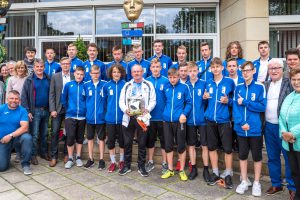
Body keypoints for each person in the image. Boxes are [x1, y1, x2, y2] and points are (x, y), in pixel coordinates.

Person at [233, 61, 266, 197]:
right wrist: (241, 123)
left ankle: (257, 182)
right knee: (242, 155)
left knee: (257, 156)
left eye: (248, 70)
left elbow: (262, 107)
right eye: (243, 71)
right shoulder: (238, 87)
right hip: (242, 129)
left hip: (255, 129)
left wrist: (246, 102)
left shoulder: (260, 87)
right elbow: (236, 107)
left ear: (253, 71)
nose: (245, 73)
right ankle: (245, 180)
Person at [264, 58, 295, 196]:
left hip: (284, 128)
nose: (274, 71)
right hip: (268, 127)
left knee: (289, 158)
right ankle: (276, 184)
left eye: (277, 68)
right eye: (271, 68)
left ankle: (292, 187)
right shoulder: (265, 85)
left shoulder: (289, 84)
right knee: (272, 157)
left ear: (282, 70)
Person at [203, 57, 235, 188]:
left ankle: (228, 173)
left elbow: (234, 101)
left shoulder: (229, 82)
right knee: (212, 147)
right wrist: (204, 98)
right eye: (213, 67)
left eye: (218, 66)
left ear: (222, 68)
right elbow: (206, 102)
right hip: (210, 120)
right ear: (211, 69)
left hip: (224, 120)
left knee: (227, 148)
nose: (215, 69)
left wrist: (229, 101)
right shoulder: (208, 83)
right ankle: (215, 172)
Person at [119, 64, 156, 177]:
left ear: (142, 72)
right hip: (129, 117)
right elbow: (121, 101)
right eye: (134, 71)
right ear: (131, 73)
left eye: (138, 71)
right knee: (127, 142)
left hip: (142, 118)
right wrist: (125, 110)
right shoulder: (127, 85)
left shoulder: (149, 85)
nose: (136, 73)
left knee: (142, 141)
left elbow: (153, 100)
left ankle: (141, 166)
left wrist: (147, 109)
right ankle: (127, 165)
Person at [160, 68, 192, 181]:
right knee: (168, 146)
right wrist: (165, 115)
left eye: (174, 77)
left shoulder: (184, 87)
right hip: (167, 121)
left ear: (178, 76)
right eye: (170, 77)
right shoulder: (166, 87)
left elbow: (189, 103)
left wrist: (184, 114)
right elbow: (164, 102)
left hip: (180, 121)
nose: (172, 79)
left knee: (181, 146)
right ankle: (170, 170)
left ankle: (182, 170)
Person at [21, 58, 51, 165]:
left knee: (44, 134)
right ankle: (33, 155)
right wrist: (27, 111)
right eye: (37, 66)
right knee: (35, 134)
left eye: (41, 66)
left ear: (44, 67)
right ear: (34, 68)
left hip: (46, 110)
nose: (39, 68)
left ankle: (43, 152)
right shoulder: (29, 80)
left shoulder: (48, 78)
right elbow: (24, 97)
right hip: (35, 111)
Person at [48, 57, 74, 167]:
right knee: (54, 133)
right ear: (61, 65)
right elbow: (52, 94)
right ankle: (54, 156)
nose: (65, 65)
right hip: (57, 109)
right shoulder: (55, 76)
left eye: (67, 64)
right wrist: (52, 109)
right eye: (63, 64)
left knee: (68, 133)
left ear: (70, 64)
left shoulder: (74, 76)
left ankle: (66, 155)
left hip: (70, 109)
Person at [279, 68, 300, 200]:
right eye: (294, 79)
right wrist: (283, 133)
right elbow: (281, 116)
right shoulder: (289, 96)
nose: (296, 82)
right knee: (295, 172)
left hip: (296, 140)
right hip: (288, 143)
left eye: (299, 79)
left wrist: (292, 134)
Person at [0, 90, 32, 175]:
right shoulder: (1, 109)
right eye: (12, 98)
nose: (14, 101)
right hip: (3, 140)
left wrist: (10, 136)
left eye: (16, 99)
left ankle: (25, 164)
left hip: (16, 139)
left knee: (27, 137)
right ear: (7, 99)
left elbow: (24, 127)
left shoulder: (22, 110)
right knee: (2, 167)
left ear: (19, 100)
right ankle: (6, 156)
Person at [145, 58, 169, 173]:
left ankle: (165, 162)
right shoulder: (146, 81)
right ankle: (150, 161)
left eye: (157, 67)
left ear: (161, 68)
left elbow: (169, 99)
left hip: (162, 117)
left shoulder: (166, 81)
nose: (155, 69)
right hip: (150, 117)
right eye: (153, 67)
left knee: (164, 141)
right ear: (150, 68)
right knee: (151, 140)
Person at [186, 61, 208, 181]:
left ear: (198, 71)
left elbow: (207, 101)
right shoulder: (185, 85)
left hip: (202, 120)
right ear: (188, 72)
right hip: (189, 121)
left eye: (195, 71)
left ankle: (205, 169)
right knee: (191, 145)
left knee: (205, 145)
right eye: (191, 71)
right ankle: (193, 168)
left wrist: (205, 99)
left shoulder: (204, 84)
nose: (193, 73)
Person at [102, 63, 126, 172]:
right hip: (110, 119)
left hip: (122, 119)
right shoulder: (106, 86)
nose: (116, 74)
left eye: (118, 72)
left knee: (122, 141)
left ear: (121, 73)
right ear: (111, 74)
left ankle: (121, 161)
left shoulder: (126, 85)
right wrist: (107, 114)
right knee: (111, 142)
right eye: (114, 72)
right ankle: (113, 162)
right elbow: (104, 103)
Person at [61, 66, 86, 169]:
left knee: (80, 138)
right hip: (70, 115)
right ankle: (70, 158)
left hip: (82, 116)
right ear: (74, 74)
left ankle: (78, 157)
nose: (79, 76)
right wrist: (68, 109)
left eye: (81, 74)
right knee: (70, 137)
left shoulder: (85, 85)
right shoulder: (68, 85)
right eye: (78, 74)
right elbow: (63, 99)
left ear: (83, 75)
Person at [83, 65, 107, 170]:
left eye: (97, 73)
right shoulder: (86, 85)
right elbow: (84, 100)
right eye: (94, 73)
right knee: (90, 138)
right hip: (90, 117)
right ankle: (91, 159)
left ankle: (101, 159)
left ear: (100, 73)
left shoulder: (105, 85)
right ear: (90, 74)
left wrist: (104, 112)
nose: (95, 75)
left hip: (101, 117)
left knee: (101, 138)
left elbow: (107, 101)